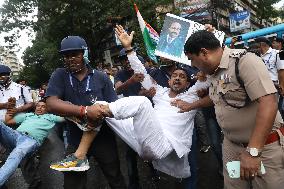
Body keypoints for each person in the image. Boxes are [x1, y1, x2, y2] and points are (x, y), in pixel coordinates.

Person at [50, 25, 210, 179]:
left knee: (141, 103)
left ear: (189, 84)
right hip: (138, 139)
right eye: (174, 75)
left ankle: (85, 114)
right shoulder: (158, 92)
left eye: (182, 76)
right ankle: (79, 154)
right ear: (168, 81)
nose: (177, 78)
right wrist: (128, 48)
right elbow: (141, 73)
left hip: (161, 146)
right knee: (101, 106)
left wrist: (209, 40)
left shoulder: (192, 97)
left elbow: (210, 72)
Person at [183, 30, 284, 189]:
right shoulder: (214, 72)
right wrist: (191, 105)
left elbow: (269, 102)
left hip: (262, 148)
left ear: (203, 53)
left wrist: (253, 152)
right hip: (232, 146)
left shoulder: (244, 61)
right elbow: (219, 97)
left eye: (192, 59)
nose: (191, 65)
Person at [45, 36, 126, 189]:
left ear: (84, 54)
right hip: (75, 139)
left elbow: (115, 106)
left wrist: (100, 113)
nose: (70, 59)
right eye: (67, 56)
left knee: (115, 178)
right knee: (72, 184)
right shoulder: (60, 75)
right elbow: (51, 103)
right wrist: (85, 111)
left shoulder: (101, 77)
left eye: (75, 54)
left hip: (104, 138)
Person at [0, 99, 64, 187]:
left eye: (43, 106)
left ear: (47, 109)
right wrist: (10, 108)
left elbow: (65, 118)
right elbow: (8, 121)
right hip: (16, 135)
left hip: (31, 140)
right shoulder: (28, 115)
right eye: (38, 106)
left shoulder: (50, 117)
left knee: (17, 154)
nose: (39, 108)